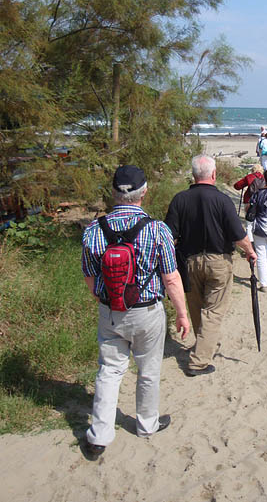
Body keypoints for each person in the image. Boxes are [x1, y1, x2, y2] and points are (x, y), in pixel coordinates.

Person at [81, 165, 190, 458]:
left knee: (109, 370)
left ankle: (100, 436)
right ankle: (146, 424)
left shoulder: (93, 230)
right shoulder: (157, 229)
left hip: (111, 310)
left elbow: (90, 277)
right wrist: (182, 313)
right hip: (147, 312)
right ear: (145, 192)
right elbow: (170, 278)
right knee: (149, 369)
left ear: (114, 193)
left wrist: (103, 299)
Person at [165, 155, 257, 376]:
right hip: (218, 261)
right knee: (213, 311)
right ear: (214, 175)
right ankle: (198, 361)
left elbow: (169, 236)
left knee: (197, 307)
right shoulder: (223, 200)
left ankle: (206, 344)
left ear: (194, 175)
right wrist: (250, 252)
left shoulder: (180, 199)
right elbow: (238, 235)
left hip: (189, 262)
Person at [233, 163, 265, 242]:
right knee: (259, 221)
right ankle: (259, 240)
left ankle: (250, 242)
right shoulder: (265, 178)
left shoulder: (249, 177)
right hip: (262, 201)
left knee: (249, 222)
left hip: (249, 201)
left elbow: (237, 186)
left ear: (253, 170)